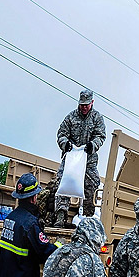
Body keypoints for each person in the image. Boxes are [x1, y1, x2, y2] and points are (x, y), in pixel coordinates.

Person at [54, 89, 106, 226]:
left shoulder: (97, 118)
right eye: (82, 104)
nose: (84, 107)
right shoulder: (71, 117)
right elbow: (61, 134)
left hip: (89, 161)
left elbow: (101, 136)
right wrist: (65, 144)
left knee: (93, 185)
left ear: (92, 103)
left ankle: (88, 220)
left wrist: (93, 145)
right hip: (71, 159)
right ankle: (60, 217)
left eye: (86, 105)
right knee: (61, 184)